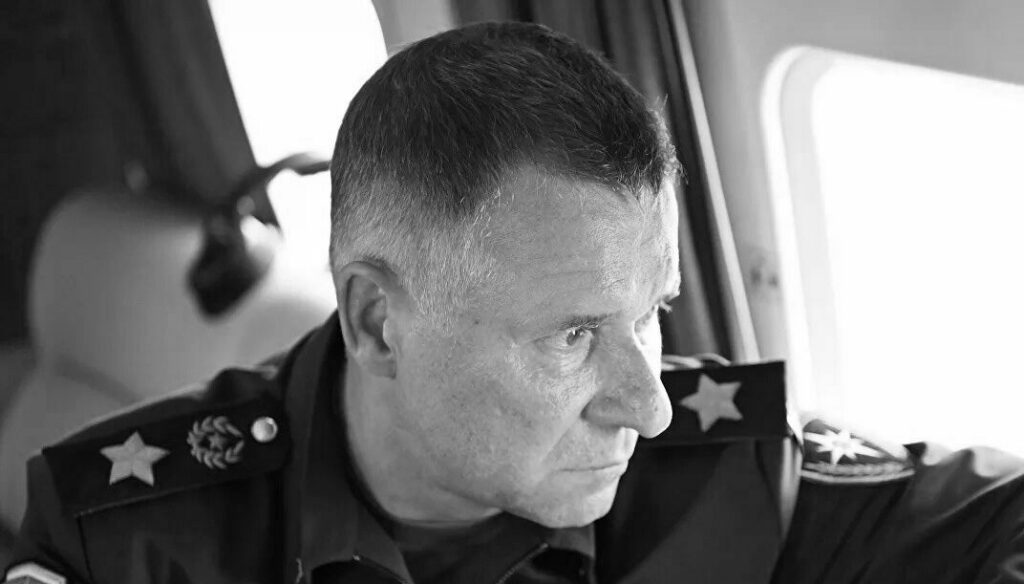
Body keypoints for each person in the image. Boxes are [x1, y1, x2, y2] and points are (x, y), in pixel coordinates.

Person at [6, 21, 1024, 584]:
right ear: (377, 322)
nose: (649, 402)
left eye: (650, 312)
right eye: (574, 336)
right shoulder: (129, 543)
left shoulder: (731, 466)